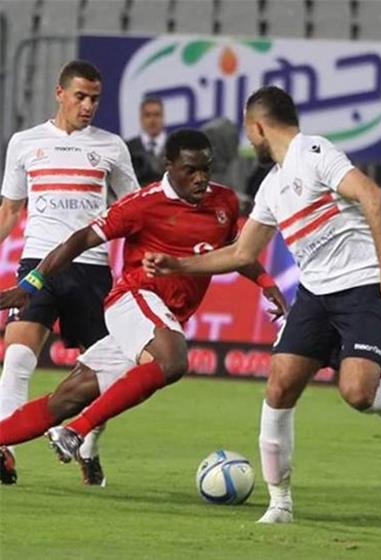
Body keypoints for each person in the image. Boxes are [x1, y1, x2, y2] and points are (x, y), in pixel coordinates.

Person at [143, 86, 381, 524]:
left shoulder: (315, 152)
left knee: (358, 393)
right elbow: (242, 253)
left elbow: (372, 196)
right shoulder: (271, 185)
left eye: (249, 131)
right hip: (315, 295)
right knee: (280, 384)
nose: (249, 140)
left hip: (363, 287)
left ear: (258, 126)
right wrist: (178, 264)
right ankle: (280, 504)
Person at [0, 130, 287, 481]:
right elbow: (80, 239)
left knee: (69, 397)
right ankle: (76, 432)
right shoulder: (142, 204)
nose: (200, 178)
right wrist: (32, 282)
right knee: (173, 360)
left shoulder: (223, 202)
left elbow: (236, 254)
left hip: (160, 318)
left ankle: (57, 429)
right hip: (133, 299)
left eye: (206, 169)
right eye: (190, 170)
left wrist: (266, 283)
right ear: (169, 166)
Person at [0, 59, 139, 486]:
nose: (88, 106)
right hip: (37, 265)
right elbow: (10, 210)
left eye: (95, 98)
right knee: (17, 355)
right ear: (60, 93)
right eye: (80, 96)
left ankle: (88, 445)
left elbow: (135, 209)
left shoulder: (111, 147)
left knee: (107, 372)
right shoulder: (25, 142)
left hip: (90, 269)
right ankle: (4, 450)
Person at [126, 97, 166, 186]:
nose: (152, 120)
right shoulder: (129, 148)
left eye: (157, 115)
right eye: (147, 115)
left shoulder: (174, 146)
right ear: (141, 119)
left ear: (163, 117)